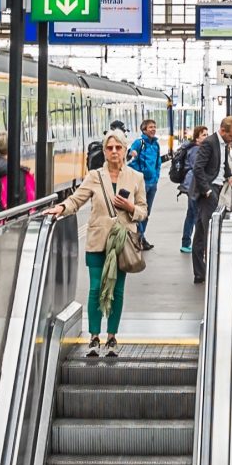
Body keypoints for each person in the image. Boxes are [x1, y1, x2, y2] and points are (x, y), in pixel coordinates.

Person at [55, 128, 146, 353]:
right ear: (104, 151)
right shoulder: (94, 176)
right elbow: (76, 200)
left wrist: (130, 207)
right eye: (109, 148)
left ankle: (112, 336)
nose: (114, 152)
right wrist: (61, 208)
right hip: (97, 242)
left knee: (117, 291)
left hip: (122, 245)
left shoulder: (136, 177)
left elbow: (143, 211)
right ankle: (95, 336)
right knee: (96, 289)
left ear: (125, 150)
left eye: (118, 148)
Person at [186, 121, 226, 283]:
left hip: (210, 190)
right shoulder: (209, 144)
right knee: (208, 231)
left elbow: (220, 165)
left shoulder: (219, 144)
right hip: (206, 192)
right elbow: (198, 168)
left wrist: (229, 176)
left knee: (202, 231)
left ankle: (201, 272)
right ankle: (208, 270)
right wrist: (207, 190)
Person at [128, 118, 164, 248]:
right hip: (141, 184)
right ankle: (139, 238)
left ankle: (140, 238)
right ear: (144, 130)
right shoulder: (139, 143)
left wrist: (156, 176)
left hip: (152, 183)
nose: (153, 129)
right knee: (140, 211)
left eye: (154, 127)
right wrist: (139, 175)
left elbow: (158, 162)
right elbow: (131, 156)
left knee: (146, 213)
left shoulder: (156, 144)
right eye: (150, 127)